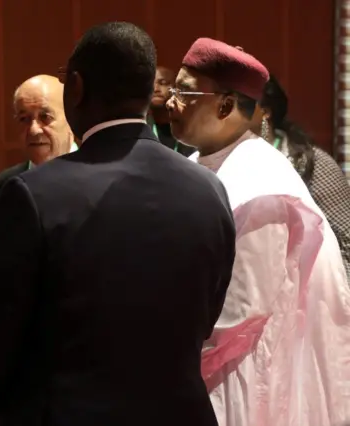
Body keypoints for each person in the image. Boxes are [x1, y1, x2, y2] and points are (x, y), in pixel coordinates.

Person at [0, 22, 236, 426]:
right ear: (147, 90)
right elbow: (208, 315)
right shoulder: (209, 189)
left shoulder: (32, 195)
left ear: (76, 87)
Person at [167, 38, 350, 425]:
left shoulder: (260, 183)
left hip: (243, 374)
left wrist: (165, 356)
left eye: (184, 92)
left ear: (226, 105)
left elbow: (240, 315)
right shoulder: (202, 161)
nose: (170, 102)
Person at [0, 74, 76, 285]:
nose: (33, 129)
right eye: (24, 119)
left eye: (45, 117)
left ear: (71, 119)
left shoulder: (105, 179)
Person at [251, 74, 350, 280]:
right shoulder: (217, 158)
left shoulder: (310, 162)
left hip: (306, 292)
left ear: (264, 113)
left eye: (238, 103)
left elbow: (346, 239)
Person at [148, 65, 195, 156]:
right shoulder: (141, 128)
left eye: (163, 83)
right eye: (151, 84)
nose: (156, 89)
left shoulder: (190, 130)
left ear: (176, 89)